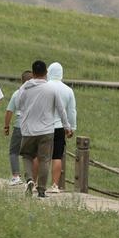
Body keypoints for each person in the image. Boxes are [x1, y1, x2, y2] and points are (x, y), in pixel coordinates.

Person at [17, 60, 72, 198]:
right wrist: (67, 126)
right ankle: (41, 189)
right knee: (45, 159)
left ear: (33, 72)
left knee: (27, 155)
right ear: (46, 73)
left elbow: (19, 105)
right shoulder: (51, 89)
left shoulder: (25, 88)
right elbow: (61, 109)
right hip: (47, 130)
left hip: (29, 129)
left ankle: (29, 179)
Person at [47, 62, 77, 193]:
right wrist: (71, 127)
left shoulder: (44, 86)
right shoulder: (68, 90)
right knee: (57, 156)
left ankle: (35, 183)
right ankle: (54, 185)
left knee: (40, 155)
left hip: (43, 126)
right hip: (59, 127)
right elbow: (71, 111)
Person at [4, 70, 33, 186]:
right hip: (33, 127)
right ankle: (31, 178)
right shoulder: (36, 94)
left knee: (14, 151)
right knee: (30, 154)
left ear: (22, 81)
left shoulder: (17, 93)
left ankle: (16, 176)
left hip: (19, 126)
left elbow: (9, 111)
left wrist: (6, 126)